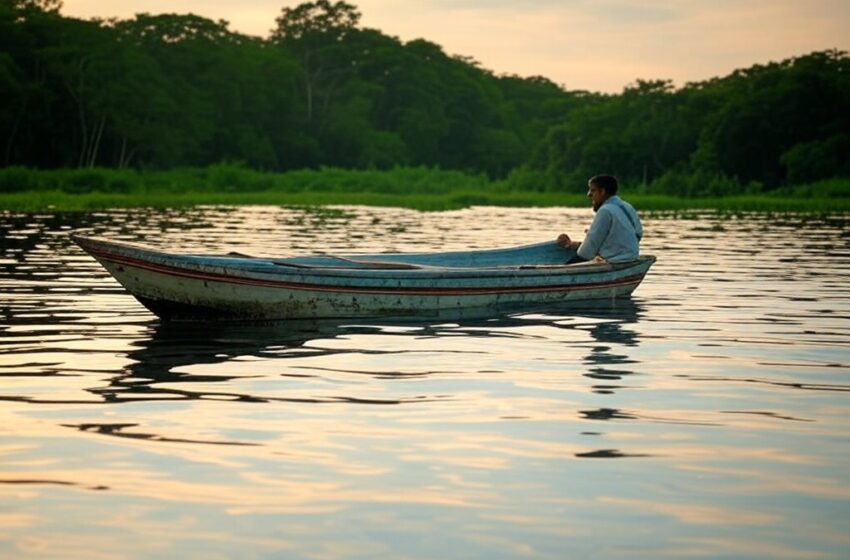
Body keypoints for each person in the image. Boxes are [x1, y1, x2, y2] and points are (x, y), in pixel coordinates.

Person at [557, 174, 642, 263]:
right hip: (632, 258)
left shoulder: (605, 211)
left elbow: (587, 251)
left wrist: (569, 264)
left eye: (593, 190)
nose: (589, 194)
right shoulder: (627, 207)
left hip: (615, 260)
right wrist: (574, 245)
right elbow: (638, 235)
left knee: (569, 264)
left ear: (602, 191)